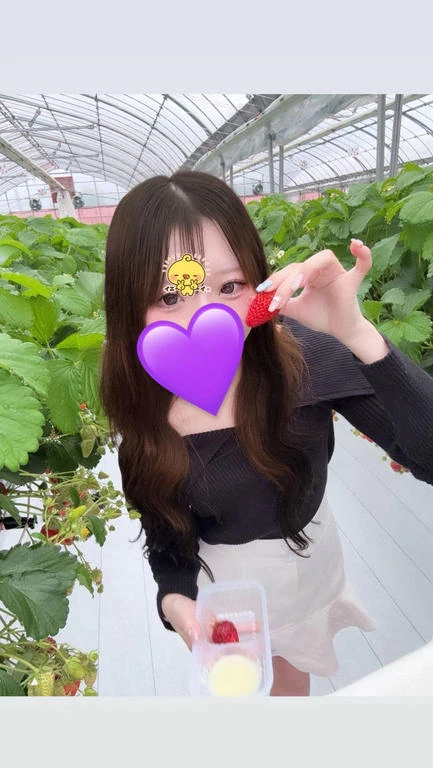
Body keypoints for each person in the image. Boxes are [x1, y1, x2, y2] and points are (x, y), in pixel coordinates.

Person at [100, 170, 433, 697]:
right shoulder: (145, 403)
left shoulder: (306, 357)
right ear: (128, 303)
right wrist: (175, 598)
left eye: (230, 286)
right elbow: (166, 531)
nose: (205, 315)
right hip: (224, 584)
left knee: (291, 685)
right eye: (169, 295)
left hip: (305, 561)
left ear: (259, 281)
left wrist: (356, 332)